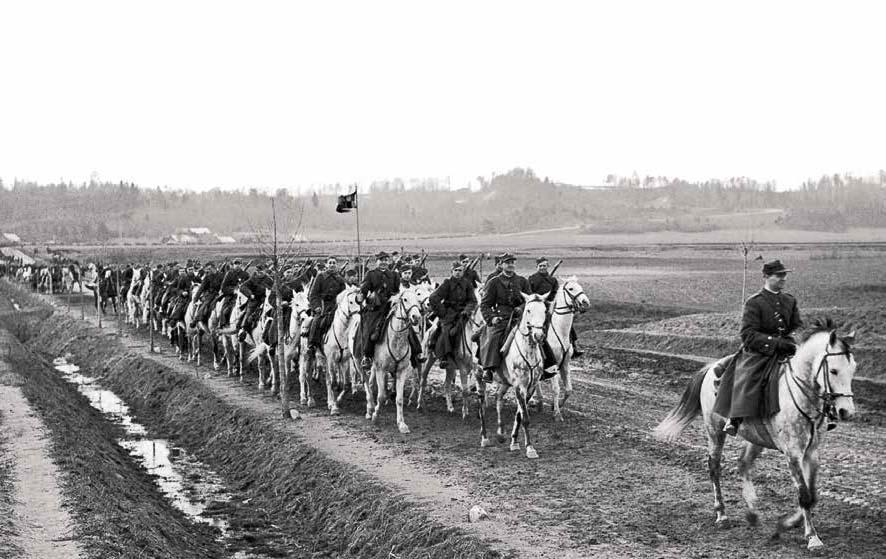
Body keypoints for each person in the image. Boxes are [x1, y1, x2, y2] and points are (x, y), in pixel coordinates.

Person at [715, 259, 804, 436]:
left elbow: (797, 325)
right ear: (766, 277)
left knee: (814, 372)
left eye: (784, 275)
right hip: (760, 351)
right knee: (748, 377)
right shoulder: (754, 302)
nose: (783, 279)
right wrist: (775, 342)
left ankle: (824, 414)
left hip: (787, 348)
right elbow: (748, 334)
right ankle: (736, 417)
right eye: (779, 275)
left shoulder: (789, 300)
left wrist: (793, 339)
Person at [357, 251, 423, 371]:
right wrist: (360, 297)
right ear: (377, 261)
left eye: (386, 260)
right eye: (381, 260)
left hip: (391, 307)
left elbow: (397, 291)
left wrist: (394, 299)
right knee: (371, 330)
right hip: (376, 309)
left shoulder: (394, 275)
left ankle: (417, 353)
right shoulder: (371, 274)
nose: (384, 262)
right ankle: (367, 356)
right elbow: (364, 290)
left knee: (407, 327)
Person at [477, 253, 531, 382]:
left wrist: (521, 308)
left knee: (538, 334)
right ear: (501, 264)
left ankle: (548, 365)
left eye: (512, 262)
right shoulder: (494, 282)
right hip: (502, 317)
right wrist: (492, 318)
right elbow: (485, 304)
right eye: (507, 263)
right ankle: (488, 369)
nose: (510, 265)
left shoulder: (522, 281)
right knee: (493, 337)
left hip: (521, 317)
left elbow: (529, 300)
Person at [528, 257, 583, 358]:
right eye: (540, 266)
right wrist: (539, 301)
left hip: (550, 305)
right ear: (537, 267)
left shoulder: (552, 280)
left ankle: (574, 347)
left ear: (547, 266)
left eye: (544, 266)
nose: (542, 268)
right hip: (537, 307)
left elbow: (555, 293)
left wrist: (551, 302)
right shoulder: (532, 279)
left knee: (566, 323)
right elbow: (530, 293)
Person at [428, 261, 477, 368]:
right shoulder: (447, 283)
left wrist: (467, 310)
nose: (458, 272)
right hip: (449, 314)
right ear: (452, 271)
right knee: (446, 331)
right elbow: (433, 298)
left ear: (463, 272)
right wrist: (442, 312)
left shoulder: (467, 284)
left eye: (460, 270)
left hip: (463, 314)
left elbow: (473, 300)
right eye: (456, 270)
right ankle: (445, 356)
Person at [306, 256, 346, 356]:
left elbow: (343, 294)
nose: (332, 265)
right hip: (322, 305)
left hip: (336, 305)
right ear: (326, 265)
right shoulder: (320, 276)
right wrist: (316, 306)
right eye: (330, 263)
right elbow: (313, 294)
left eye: (334, 263)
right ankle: (312, 345)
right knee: (317, 320)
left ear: (337, 265)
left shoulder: (340, 279)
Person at [237, 263, 273, 340]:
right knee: (249, 311)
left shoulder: (269, 280)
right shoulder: (253, 279)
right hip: (255, 299)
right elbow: (243, 287)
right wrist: (250, 294)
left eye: (261, 271)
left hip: (266, 300)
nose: (260, 272)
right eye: (258, 271)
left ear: (265, 271)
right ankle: (243, 329)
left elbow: (274, 289)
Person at [218, 259, 250, 325]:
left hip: (243, 295)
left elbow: (250, 285)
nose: (237, 265)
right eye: (236, 264)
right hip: (231, 295)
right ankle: (223, 324)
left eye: (239, 264)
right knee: (225, 309)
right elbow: (223, 287)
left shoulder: (246, 274)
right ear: (233, 265)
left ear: (241, 265)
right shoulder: (229, 274)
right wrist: (233, 291)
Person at [191, 262, 222, 328]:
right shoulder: (207, 277)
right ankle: (196, 319)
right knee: (205, 304)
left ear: (214, 268)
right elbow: (201, 288)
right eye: (207, 269)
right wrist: (196, 299)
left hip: (221, 293)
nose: (208, 270)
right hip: (210, 294)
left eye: (209, 269)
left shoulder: (221, 275)